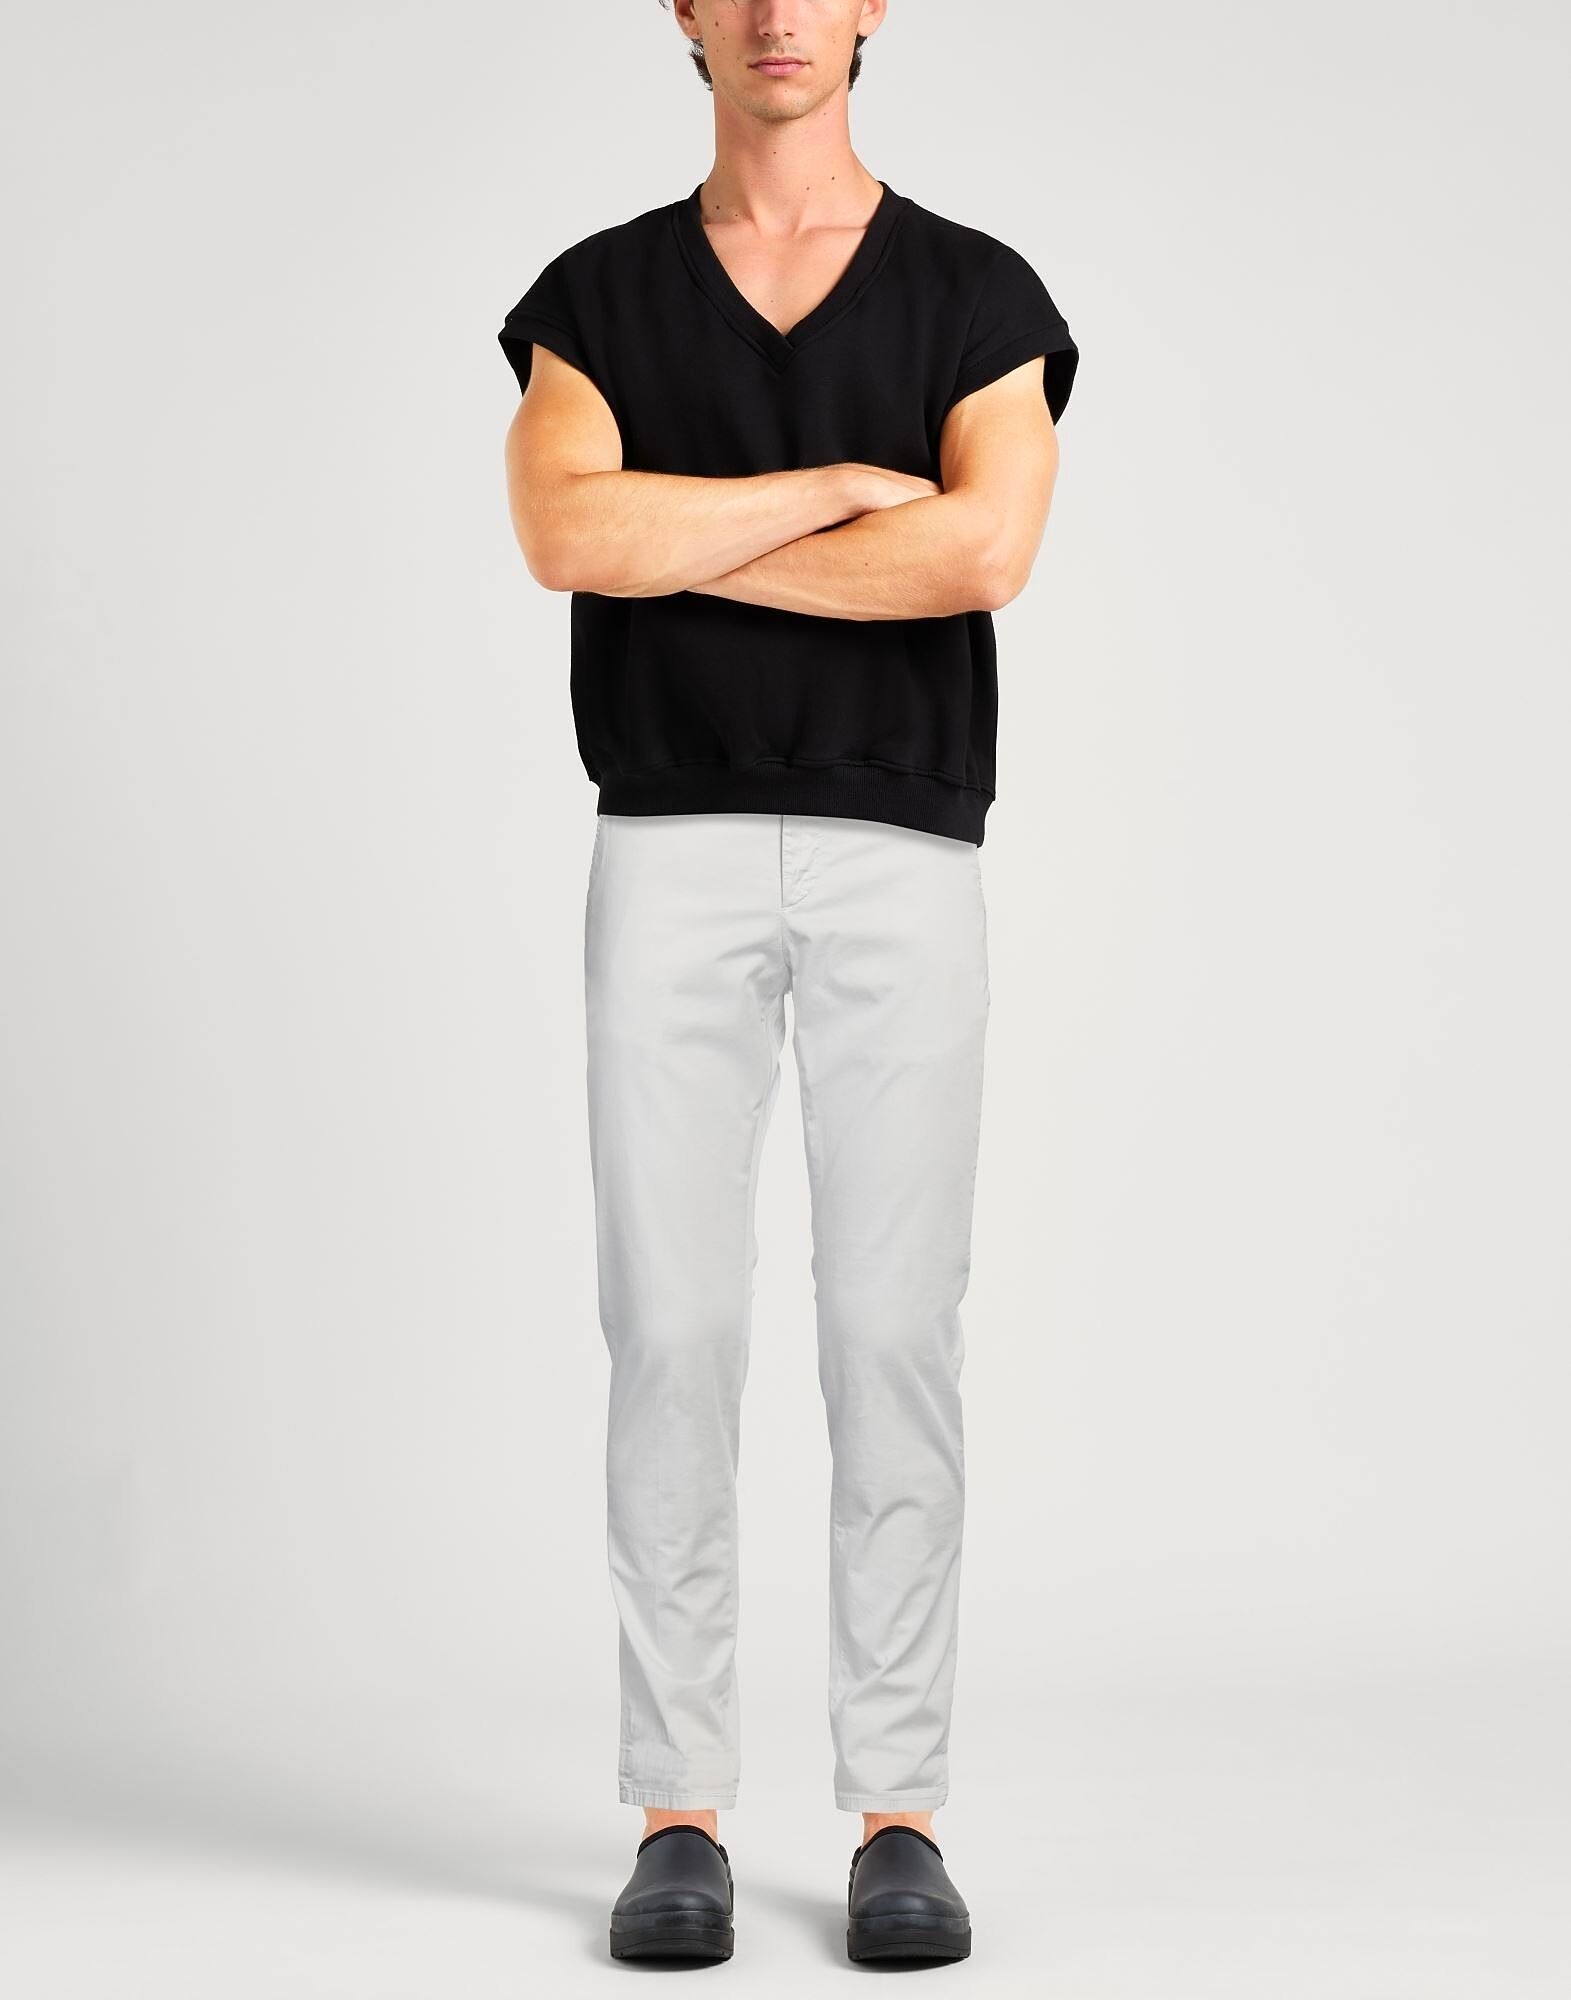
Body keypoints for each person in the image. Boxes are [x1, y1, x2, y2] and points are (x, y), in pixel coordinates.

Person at [497, 0, 1077, 1967]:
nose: (773, 14)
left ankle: (900, 1811)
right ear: (680, 8)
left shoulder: (976, 294)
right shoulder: (596, 297)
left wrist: (677, 543)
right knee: (670, 1324)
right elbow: (562, 527)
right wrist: (842, 483)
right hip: (664, 840)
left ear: (871, 6)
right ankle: (679, 1810)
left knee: (891, 1330)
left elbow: (982, 554)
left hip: (904, 841)